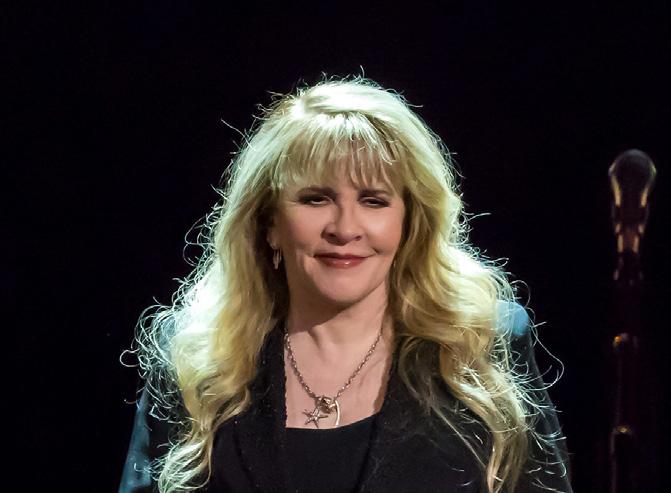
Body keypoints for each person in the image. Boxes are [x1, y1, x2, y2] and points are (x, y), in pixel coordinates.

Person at [118, 76, 573, 493]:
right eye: (316, 199)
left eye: (373, 201)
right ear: (269, 223)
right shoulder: (197, 359)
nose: (345, 228)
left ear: (409, 222)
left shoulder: (483, 342)